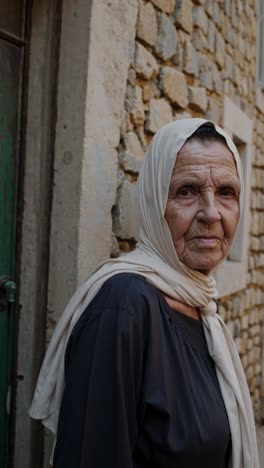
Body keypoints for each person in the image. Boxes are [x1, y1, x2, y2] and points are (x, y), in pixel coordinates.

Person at [29, 118, 259, 468]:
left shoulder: (201, 308)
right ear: (154, 201)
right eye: (186, 191)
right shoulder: (123, 307)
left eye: (226, 193)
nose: (211, 213)